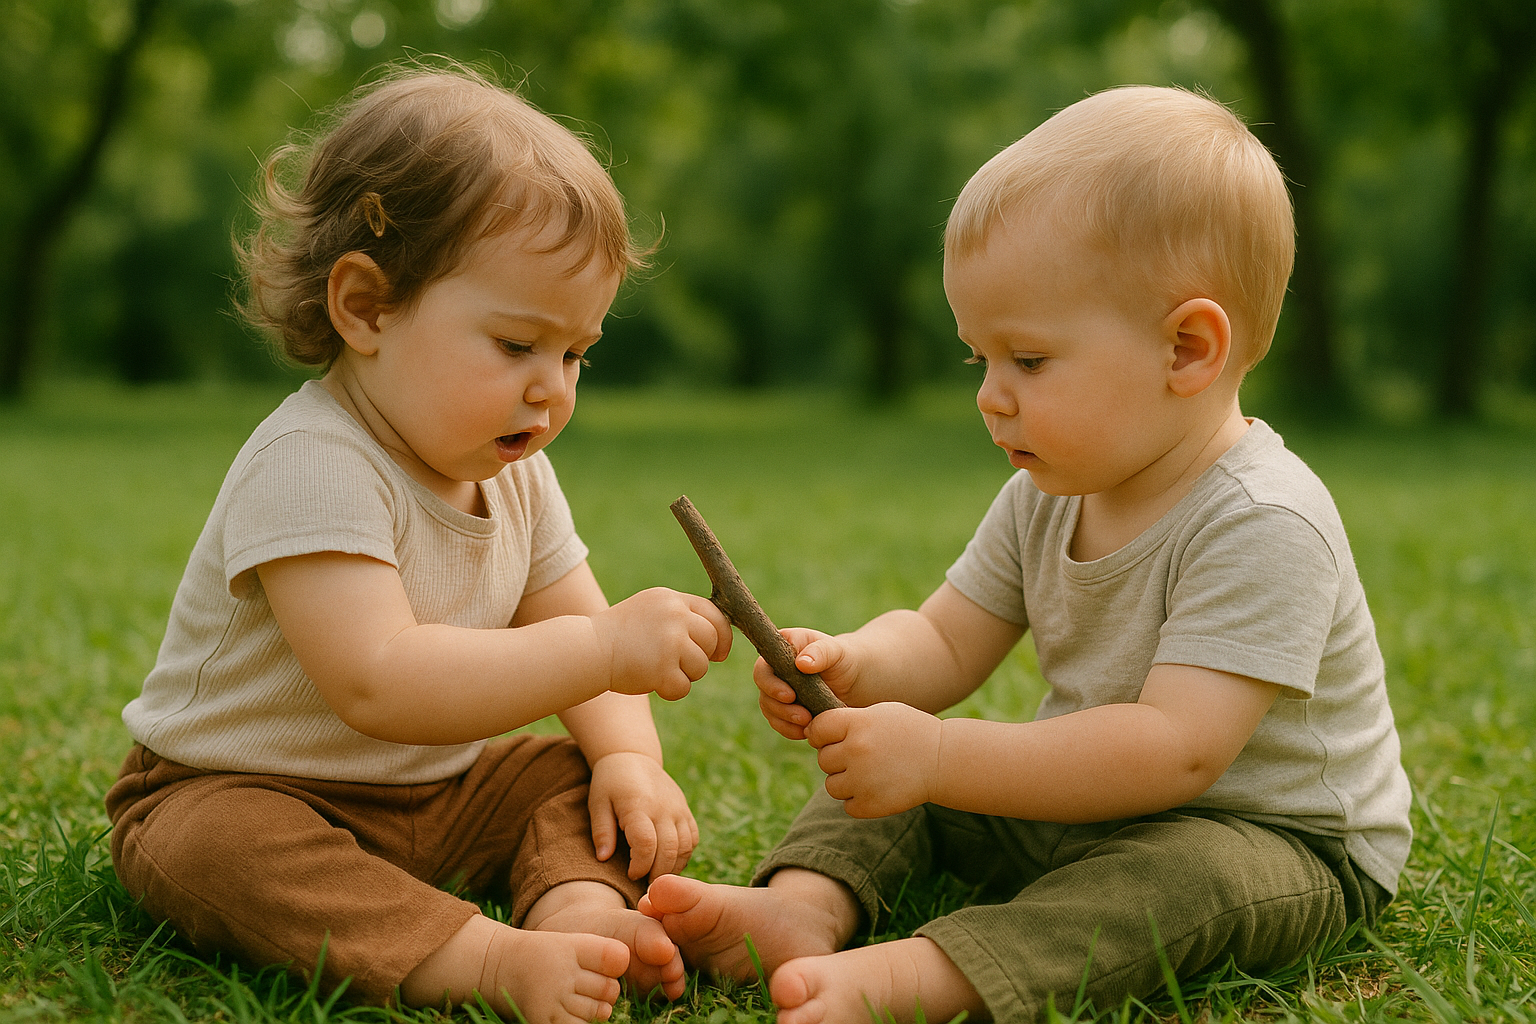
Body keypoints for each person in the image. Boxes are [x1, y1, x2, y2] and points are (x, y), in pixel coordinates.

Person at [640, 85, 1412, 1024]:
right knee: (890, 769)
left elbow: (1174, 753)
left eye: (1029, 362)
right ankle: (802, 908)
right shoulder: (1045, 496)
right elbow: (944, 640)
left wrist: (939, 753)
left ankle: (933, 976)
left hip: (1271, 837)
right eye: (980, 360)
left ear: (1187, 349)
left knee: (1170, 880)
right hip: (1088, 801)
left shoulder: (1263, 521)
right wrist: (860, 666)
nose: (991, 397)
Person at [106, 67, 734, 1024]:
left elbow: (574, 630)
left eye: (575, 354)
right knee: (216, 850)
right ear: (366, 308)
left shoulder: (516, 471)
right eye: (518, 343)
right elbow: (381, 681)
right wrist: (606, 650)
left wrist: (629, 760)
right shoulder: (312, 462)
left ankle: (575, 912)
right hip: (249, 788)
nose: (553, 389)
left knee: (568, 777)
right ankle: (478, 958)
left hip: (433, 795)